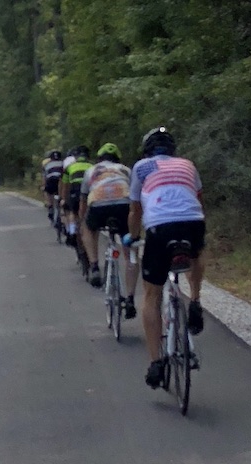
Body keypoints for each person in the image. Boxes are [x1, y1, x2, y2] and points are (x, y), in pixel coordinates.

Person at [125, 126, 206, 389]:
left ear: (147, 150)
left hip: (160, 227)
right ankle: (195, 300)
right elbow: (198, 198)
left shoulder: (142, 167)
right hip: (192, 222)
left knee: (152, 295)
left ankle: (155, 362)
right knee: (197, 251)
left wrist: (133, 236)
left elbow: (136, 209)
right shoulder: (187, 164)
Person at [79, 143, 138, 319]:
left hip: (98, 206)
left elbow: (83, 201)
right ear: (117, 158)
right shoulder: (126, 170)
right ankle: (130, 298)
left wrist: (83, 221)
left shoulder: (91, 171)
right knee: (130, 252)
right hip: (123, 206)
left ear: (99, 159)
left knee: (88, 228)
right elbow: (136, 197)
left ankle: (94, 266)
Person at [60, 145, 93, 248]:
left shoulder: (70, 167)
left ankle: (72, 231)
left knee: (72, 212)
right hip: (88, 194)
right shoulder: (92, 167)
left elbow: (65, 186)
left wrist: (63, 199)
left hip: (75, 193)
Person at [41, 150, 63, 221]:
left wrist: (43, 186)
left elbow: (44, 177)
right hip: (60, 182)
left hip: (51, 181)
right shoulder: (63, 164)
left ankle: (50, 205)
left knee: (47, 192)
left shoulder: (47, 165)